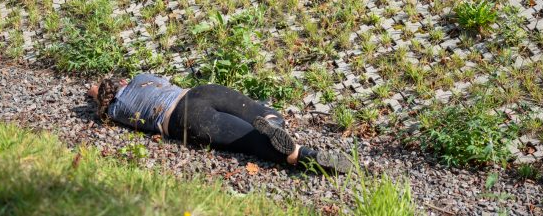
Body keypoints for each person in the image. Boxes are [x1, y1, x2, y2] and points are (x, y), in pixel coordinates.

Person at [88, 73, 352, 173]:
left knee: (249, 139)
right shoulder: (142, 77)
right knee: (259, 110)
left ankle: (303, 156)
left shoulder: (116, 109)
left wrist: (97, 96)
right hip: (199, 92)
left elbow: (97, 94)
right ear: (122, 81)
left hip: (183, 117)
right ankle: (274, 123)